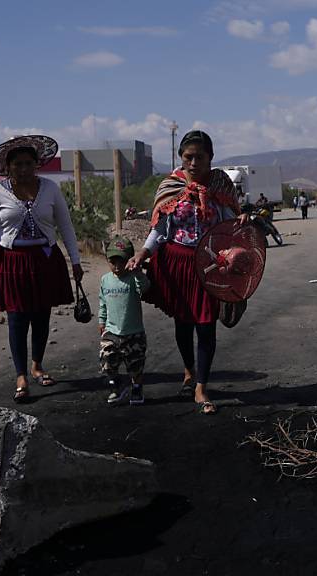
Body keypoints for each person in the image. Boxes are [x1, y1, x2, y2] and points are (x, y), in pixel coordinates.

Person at [127, 130, 246, 415]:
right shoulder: (170, 186)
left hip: (210, 265)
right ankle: (189, 371)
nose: (194, 163)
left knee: (206, 324)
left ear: (211, 158)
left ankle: (201, 387)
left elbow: (230, 223)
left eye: (200, 157)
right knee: (183, 324)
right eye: (188, 157)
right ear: (181, 158)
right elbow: (160, 228)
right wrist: (144, 252)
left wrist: (241, 224)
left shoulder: (221, 185)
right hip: (176, 263)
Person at [0, 135, 82, 403]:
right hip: (11, 261)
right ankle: (21, 375)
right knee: (17, 318)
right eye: (17, 164)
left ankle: (37, 365)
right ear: (8, 167)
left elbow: (66, 227)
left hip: (45, 259)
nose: (23, 169)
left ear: (37, 164)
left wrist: (76, 261)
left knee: (41, 316)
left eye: (28, 164)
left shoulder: (50, 189)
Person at [98, 236, 152, 406]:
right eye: (112, 261)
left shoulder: (133, 278)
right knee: (107, 362)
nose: (116, 266)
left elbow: (145, 287)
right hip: (111, 332)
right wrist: (101, 321)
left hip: (133, 332)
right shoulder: (105, 280)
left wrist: (138, 273)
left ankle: (136, 388)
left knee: (135, 365)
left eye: (121, 261)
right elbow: (102, 302)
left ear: (129, 261)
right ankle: (116, 388)